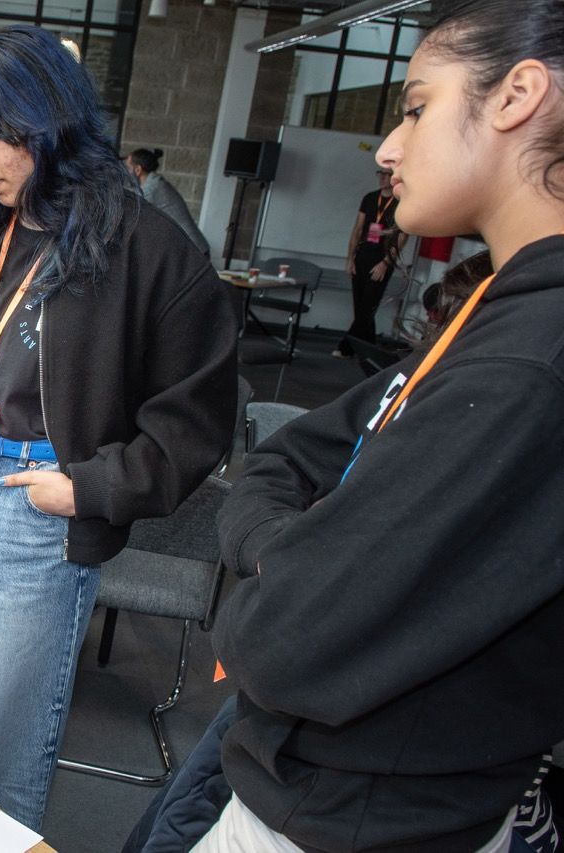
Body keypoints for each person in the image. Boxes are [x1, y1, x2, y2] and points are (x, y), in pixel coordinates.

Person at [203, 1, 564, 848]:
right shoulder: (493, 310)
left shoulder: (527, 366)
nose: (388, 148)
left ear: (516, 96)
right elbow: (281, 461)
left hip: (359, 819)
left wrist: (275, 564)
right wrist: (290, 551)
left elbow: (281, 635)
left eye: (415, 106)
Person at [0, 24, 237, 831]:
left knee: (3, 734)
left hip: (41, 498)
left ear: (51, 121)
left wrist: (90, 488)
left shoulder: (151, 251)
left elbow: (198, 422)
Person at [334, 165, 411, 356]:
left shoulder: (401, 202)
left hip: (381, 259)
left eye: (387, 174)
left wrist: (386, 262)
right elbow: (358, 229)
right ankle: (368, 348)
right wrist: (350, 258)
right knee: (361, 306)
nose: (383, 178)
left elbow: (402, 237)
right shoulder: (369, 198)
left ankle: (346, 346)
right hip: (362, 256)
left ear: (394, 178)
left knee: (368, 304)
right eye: (380, 174)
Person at [128, 148, 211, 256]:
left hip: (193, 253)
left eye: (128, 168)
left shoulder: (153, 188)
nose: (125, 172)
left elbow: (129, 213)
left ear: (138, 170)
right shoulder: (153, 183)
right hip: (189, 251)